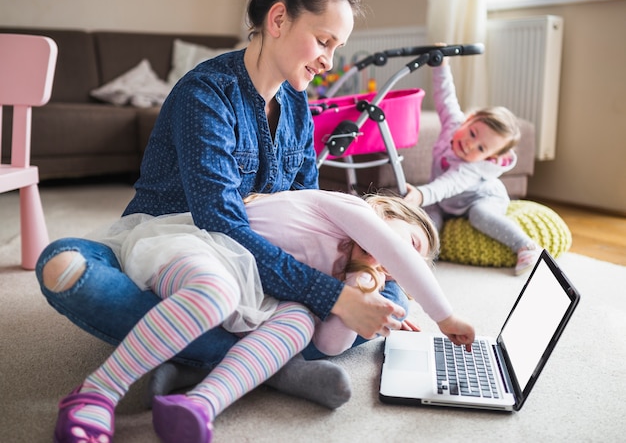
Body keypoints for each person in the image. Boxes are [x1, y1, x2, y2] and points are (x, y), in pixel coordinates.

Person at [36, 0, 405, 422]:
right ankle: (260, 364)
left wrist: (360, 267)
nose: (328, 63)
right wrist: (333, 297)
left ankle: (195, 362)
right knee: (82, 272)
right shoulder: (206, 93)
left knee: (385, 290)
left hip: (256, 252)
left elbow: (306, 206)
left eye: (336, 48)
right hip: (181, 238)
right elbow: (221, 221)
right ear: (278, 21)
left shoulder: (297, 107)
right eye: (323, 41)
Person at [52, 188, 474, 442]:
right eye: (412, 249)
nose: (392, 267)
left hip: (260, 292)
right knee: (213, 294)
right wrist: (446, 317)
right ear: (390, 213)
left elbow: (329, 345)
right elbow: (396, 252)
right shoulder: (348, 209)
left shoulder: (347, 270)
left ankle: (200, 404)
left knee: (301, 323)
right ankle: (98, 393)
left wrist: (365, 287)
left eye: (395, 270)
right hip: (206, 248)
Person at [404, 55, 543, 275]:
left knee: (480, 215)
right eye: (472, 133)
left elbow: (446, 185)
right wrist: (441, 67)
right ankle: (423, 258)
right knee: (428, 218)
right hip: (446, 202)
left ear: (489, 158)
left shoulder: (471, 168)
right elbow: (446, 97)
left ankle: (526, 246)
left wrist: (420, 194)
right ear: (469, 119)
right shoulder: (453, 123)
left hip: (480, 197)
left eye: (481, 149)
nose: (469, 146)